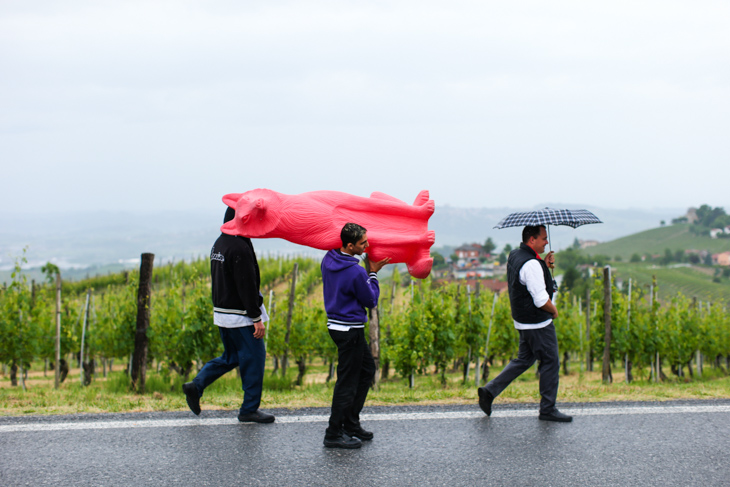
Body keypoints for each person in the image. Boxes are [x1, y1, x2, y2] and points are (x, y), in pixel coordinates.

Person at [182, 206, 275, 423]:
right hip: (240, 315)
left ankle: (196, 385)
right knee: (254, 359)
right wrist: (256, 318)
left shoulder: (220, 242)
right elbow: (246, 286)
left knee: (231, 357)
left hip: (222, 313)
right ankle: (249, 410)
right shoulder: (239, 247)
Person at [477, 225, 572, 422]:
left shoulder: (516, 255)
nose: (547, 241)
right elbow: (540, 299)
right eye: (543, 238)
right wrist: (554, 311)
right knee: (550, 362)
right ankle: (547, 409)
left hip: (522, 321)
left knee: (524, 360)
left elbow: (526, 280)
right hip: (537, 323)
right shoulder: (531, 264)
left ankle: (489, 391)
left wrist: (544, 266)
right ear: (532, 240)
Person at [321, 223, 390, 448]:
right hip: (349, 329)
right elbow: (370, 301)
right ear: (350, 246)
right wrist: (373, 273)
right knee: (347, 383)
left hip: (338, 327)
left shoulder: (329, 259)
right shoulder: (356, 271)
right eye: (363, 243)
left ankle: (350, 423)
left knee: (367, 370)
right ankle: (333, 433)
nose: (367, 245)